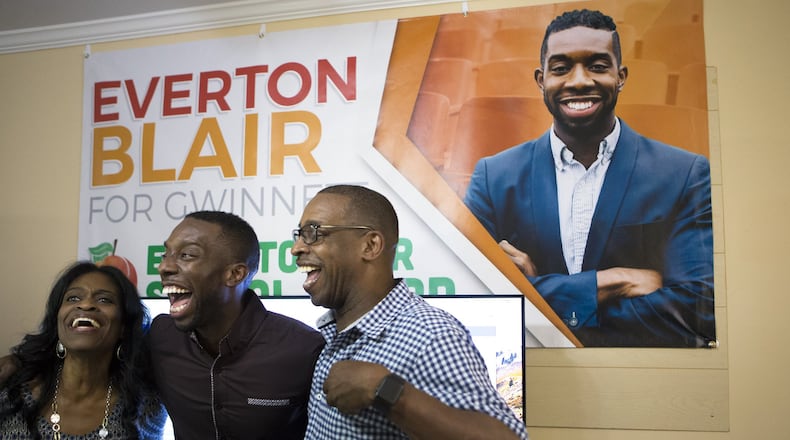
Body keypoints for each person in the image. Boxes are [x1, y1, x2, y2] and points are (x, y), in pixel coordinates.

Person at [463, 9, 715, 347]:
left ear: (621, 76)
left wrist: (540, 297)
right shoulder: (494, 177)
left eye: (597, 66)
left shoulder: (684, 174)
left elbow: (699, 307)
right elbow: (472, 297)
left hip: (644, 380)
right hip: (531, 377)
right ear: (541, 80)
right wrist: (616, 281)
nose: (579, 80)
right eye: (561, 67)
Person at [291, 184, 528, 439]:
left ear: (370, 245)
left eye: (313, 233)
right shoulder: (333, 333)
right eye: (299, 235)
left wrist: (387, 391)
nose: (296, 248)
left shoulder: (430, 335)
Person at [152, 210, 325, 439]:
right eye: (166, 254)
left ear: (235, 274)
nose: (164, 267)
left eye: (186, 255)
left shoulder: (305, 350)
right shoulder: (160, 337)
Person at [0, 261, 166, 438]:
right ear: (57, 320)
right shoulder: (10, 393)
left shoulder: (145, 406)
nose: (86, 305)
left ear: (123, 327)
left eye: (104, 300)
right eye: (73, 298)